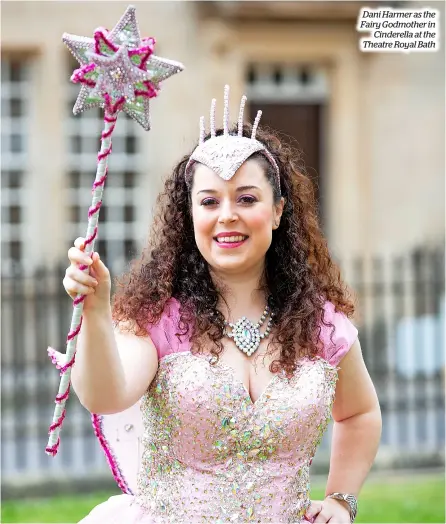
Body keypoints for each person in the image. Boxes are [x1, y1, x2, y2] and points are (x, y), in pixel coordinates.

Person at [54, 86, 382, 523]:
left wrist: (343, 500)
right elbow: (104, 395)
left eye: (246, 198)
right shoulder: (158, 317)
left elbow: (359, 412)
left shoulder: (321, 325)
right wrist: (95, 312)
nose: (227, 214)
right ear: (190, 216)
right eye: (209, 201)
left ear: (279, 211)